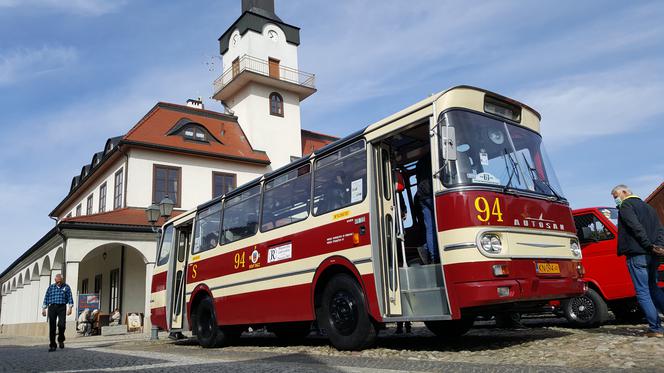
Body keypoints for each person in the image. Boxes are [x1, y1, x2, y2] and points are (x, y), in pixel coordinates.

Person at [611, 184, 664, 337]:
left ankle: (656, 328)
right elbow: (661, 229)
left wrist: (647, 245)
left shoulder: (626, 205)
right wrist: (658, 246)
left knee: (643, 292)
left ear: (625, 192)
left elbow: (635, 227)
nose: (616, 200)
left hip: (638, 254)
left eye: (616, 196)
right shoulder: (648, 208)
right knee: (654, 288)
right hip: (653, 255)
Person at [415, 154, 439, 264]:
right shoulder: (433, 157)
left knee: (429, 227)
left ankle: (433, 256)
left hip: (422, 197)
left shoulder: (419, 163)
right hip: (431, 193)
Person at [41, 273, 74, 351]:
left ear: (62, 280)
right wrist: (43, 309)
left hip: (62, 307)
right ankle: (52, 345)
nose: (58, 283)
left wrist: (70, 308)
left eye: (59, 281)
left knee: (62, 324)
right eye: (57, 282)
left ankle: (61, 339)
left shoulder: (66, 287)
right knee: (52, 327)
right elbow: (46, 297)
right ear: (55, 281)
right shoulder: (51, 287)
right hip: (52, 307)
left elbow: (70, 297)